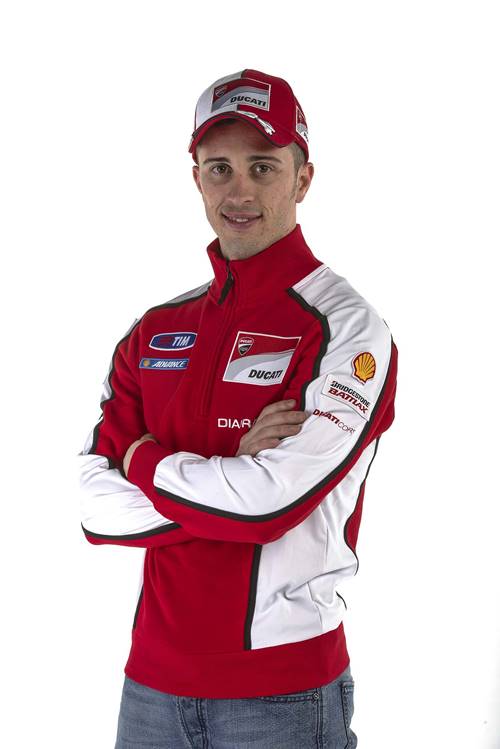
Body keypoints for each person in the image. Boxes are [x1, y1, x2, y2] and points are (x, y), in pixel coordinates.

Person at [77, 68, 398, 748]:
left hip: (283, 697)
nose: (239, 190)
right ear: (196, 178)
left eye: (263, 166)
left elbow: (268, 504)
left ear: (303, 179)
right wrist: (229, 467)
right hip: (149, 690)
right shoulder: (154, 330)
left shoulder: (345, 328)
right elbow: (93, 507)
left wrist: (142, 459)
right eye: (219, 168)